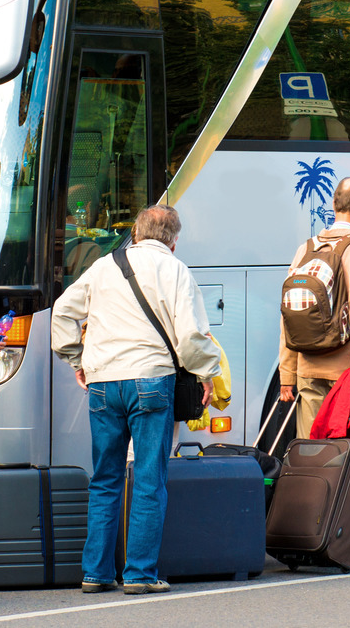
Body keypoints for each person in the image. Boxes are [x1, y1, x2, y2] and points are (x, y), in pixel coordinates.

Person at [52, 204, 221, 595]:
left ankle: (95, 573)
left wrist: (78, 359)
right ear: (174, 241)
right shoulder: (175, 270)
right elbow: (192, 335)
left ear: (137, 233)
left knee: (105, 478)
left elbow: (63, 312)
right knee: (147, 480)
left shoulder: (103, 265)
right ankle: (139, 574)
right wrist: (206, 372)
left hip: (103, 384)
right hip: (150, 381)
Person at [279, 176, 350, 438]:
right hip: (344, 374)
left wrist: (287, 373)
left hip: (307, 368)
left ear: (334, 205)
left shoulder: (306, 249)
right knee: (342, 453)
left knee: (310, 449)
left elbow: (288, 317)